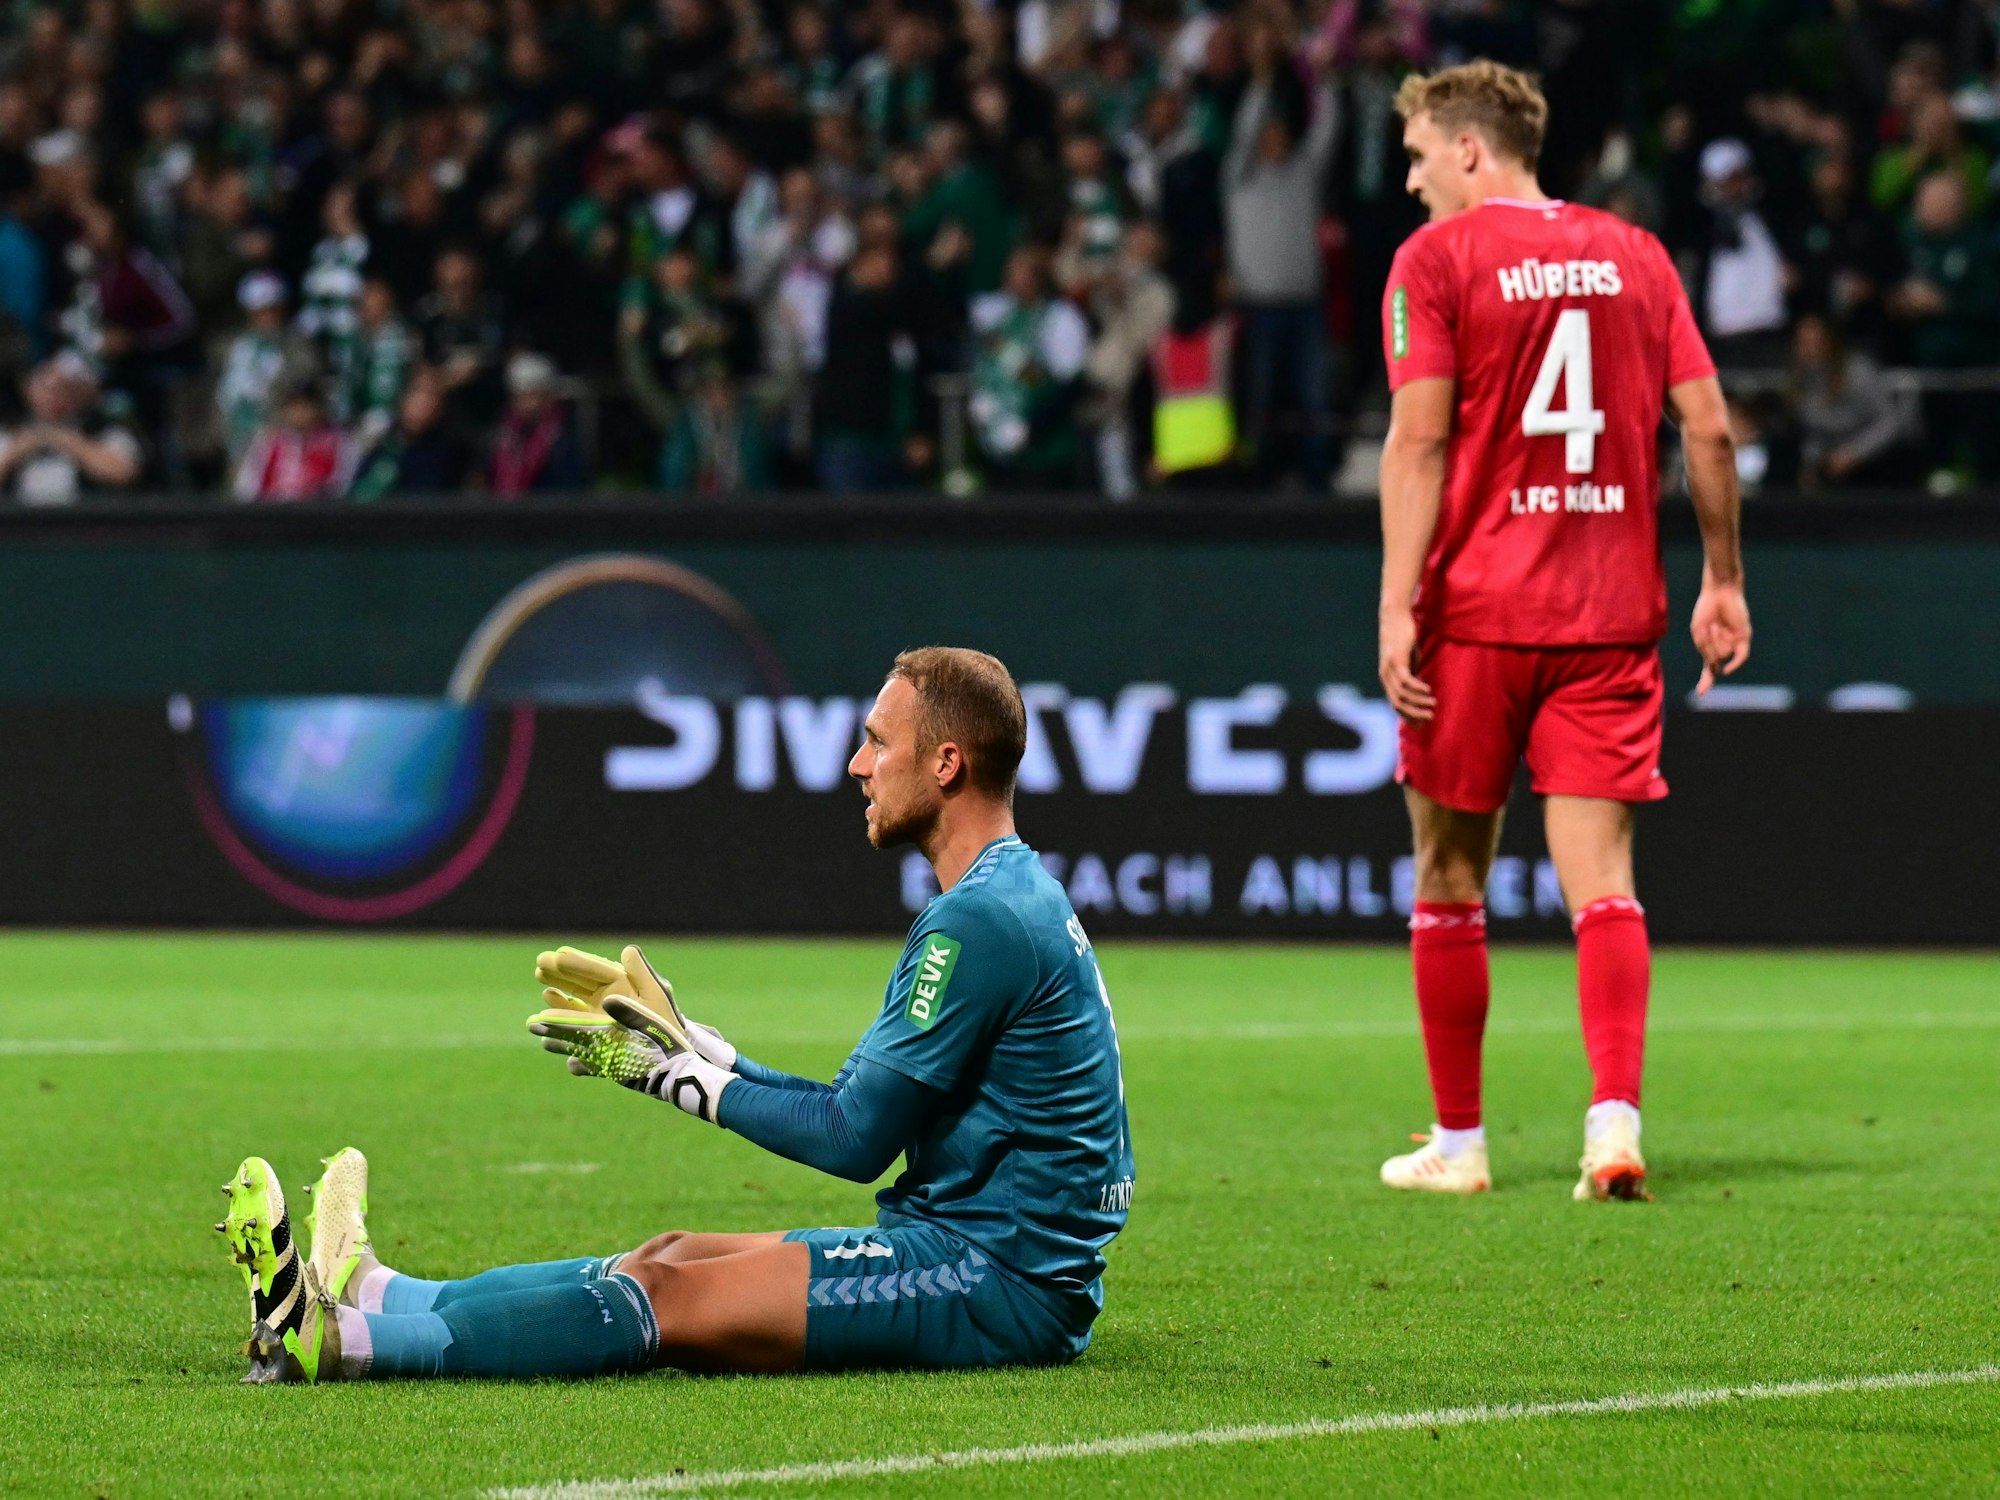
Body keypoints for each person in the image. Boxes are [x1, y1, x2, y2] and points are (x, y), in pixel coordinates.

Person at [214, 647, 1134, 1384]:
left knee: (667, 1296)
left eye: (876, 741)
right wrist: (699, 1051)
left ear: (946, 762)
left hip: (996, 1277)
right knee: (672, 1251)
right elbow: (866, 1107)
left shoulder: (974, 921)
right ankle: (377, 1292)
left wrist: (669, 1077)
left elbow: (854, 1140)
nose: (857, 764)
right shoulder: (1007, 896)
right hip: (982, 1247)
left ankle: (339, 1345)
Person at [1374, 62, 1750, 1201]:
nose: (1409, 180)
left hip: (1476, 616)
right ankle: (1612, 1127)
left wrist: (1396, 600)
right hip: (1606, 616)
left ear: (1472, 152)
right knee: (1603, 881)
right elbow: (1711, 429)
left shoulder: (1436, 260)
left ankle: (1460, 1144)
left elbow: (1420, 441)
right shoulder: (1636, 255)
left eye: (1421, 154)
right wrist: (1721, 579)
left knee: (1447, 873)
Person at [0, 353, 142, 504]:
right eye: (48, 388)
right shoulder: (9, 430)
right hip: (18, 522)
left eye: (65, 389)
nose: (55, 397)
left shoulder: (101, 429)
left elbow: (125, 473)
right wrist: (16, 451)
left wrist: (69, 442)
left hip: (84, 521)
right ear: (28, 389)